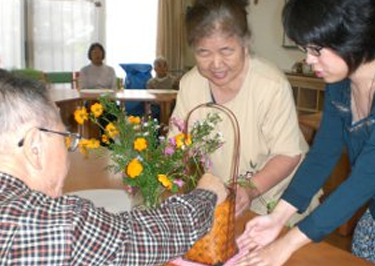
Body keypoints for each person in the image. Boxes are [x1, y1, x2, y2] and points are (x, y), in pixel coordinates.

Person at [0, 69, 229, 265]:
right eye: (65, 136)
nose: (69, 148)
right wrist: (206, 194)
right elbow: (142, 237)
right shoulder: (50, 225)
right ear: (35, 147)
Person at [232, 0, 375, 265]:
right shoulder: (341, 84)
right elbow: (323, 154)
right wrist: (277, 218)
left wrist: (286, 245)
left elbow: (365, 180)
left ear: (353, 35)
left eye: (317, 50)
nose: (309, 60)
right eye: (305, 49)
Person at [170, 0, 319, 223]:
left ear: (245, 43)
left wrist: (249, 190)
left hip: (282, 203)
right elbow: (178, 145)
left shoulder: (270, 85)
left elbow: (288, 154)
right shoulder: (191, 84)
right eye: (203, 53)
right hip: (229, 203)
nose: (216, 63)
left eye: (226, 50)